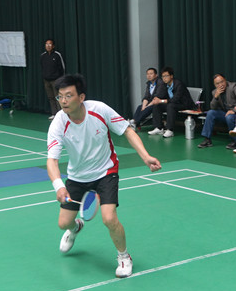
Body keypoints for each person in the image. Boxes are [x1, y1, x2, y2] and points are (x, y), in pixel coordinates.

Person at [47, 74, 162, 278]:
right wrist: (59, 186)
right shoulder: (58, 122)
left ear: (81, 97)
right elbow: (52, 160)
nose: (63, 101)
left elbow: (127, 130)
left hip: (105, 171)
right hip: (77, 176)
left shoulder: (99, 110)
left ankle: (124, 257)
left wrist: (145, 156)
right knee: (63, 223)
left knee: (109, 218)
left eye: (68, 95)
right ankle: (76, 227)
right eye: (60, 96)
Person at [198, 74, 236, 149]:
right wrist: (216, 97)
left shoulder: (233, 86)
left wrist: (233, 110)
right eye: (217, 83)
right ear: (215, 85)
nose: (221, 85)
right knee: (210, 113)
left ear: (225, 80)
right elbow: (213, 107)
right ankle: (207, 139)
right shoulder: (215, 92)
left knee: (229, 117)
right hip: (224, 113)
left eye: (222, 82)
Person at [148, 67, 194, 138]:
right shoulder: (165, 85)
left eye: (166, 76)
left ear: (171, 76)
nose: (164, 78)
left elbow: (175, 99)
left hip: (184, 105)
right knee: (157, 105)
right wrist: (156, 98)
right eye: (163, 76)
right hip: (173, 104)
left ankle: (170, 130)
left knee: (170, 105)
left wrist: (161, 100)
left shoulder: (178, 84)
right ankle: (159, 128)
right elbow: (161, 94)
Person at [40, 39, 65, 119]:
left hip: (56, 80)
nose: (48, 46)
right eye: (46, 44)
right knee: (51, 97)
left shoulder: (57, 55)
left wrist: (59, 79)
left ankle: (61, 115)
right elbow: (42, 67)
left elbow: (62, 68)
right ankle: (54, 114)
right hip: (46, 80)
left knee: (58, 97)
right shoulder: (43, 56)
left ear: (53, 46)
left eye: (50, 44)